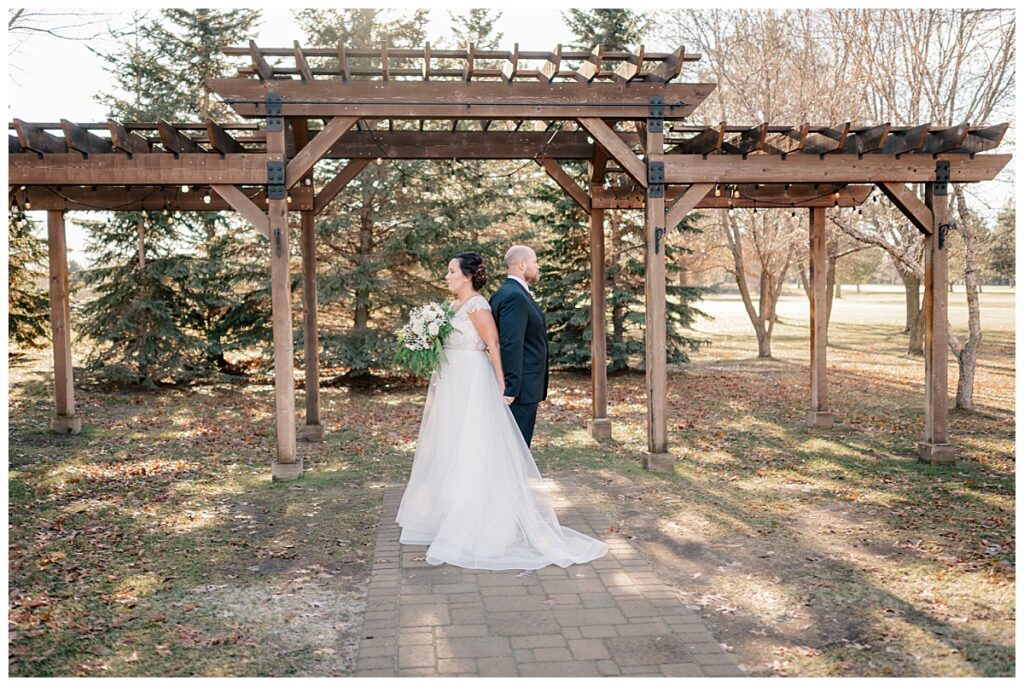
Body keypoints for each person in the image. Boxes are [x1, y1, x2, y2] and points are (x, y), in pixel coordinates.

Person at [395, 251, 607, 570]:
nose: (447, 276)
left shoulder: (481, 304)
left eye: (451, 271)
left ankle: (490, 519)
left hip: (472, 381)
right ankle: (452, 513)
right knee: (453, 446)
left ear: (467, 276)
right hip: (453, 381)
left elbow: (496, 345)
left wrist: (503, 384)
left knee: (479, 448)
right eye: (448, 271)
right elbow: (498, 343)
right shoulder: (456, 306)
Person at [488, 245, 549, 447]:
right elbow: (510, 344)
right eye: (535, 261)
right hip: (520, 390)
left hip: (523, 387)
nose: (538, 266)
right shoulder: (514, 296)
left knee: (512, 449)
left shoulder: (510, 293)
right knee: (516, 450)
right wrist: (511, 389)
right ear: (522, 265)